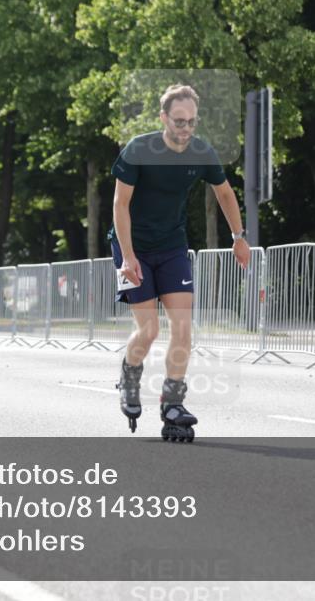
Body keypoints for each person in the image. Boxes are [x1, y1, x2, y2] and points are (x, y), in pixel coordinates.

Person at [108, 84, 250, 442]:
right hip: (133, 247)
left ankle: (172, 403)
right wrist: (127, 256)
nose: (185, 128)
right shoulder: (139, 150)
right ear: (163, 118)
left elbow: (224, 191)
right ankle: (130, 372)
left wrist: (238, 237)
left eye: (191, 122)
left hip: (172, 246)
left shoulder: (201, 152)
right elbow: (119, 205)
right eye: (179, 121)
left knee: (183, 329)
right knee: (149, 331)